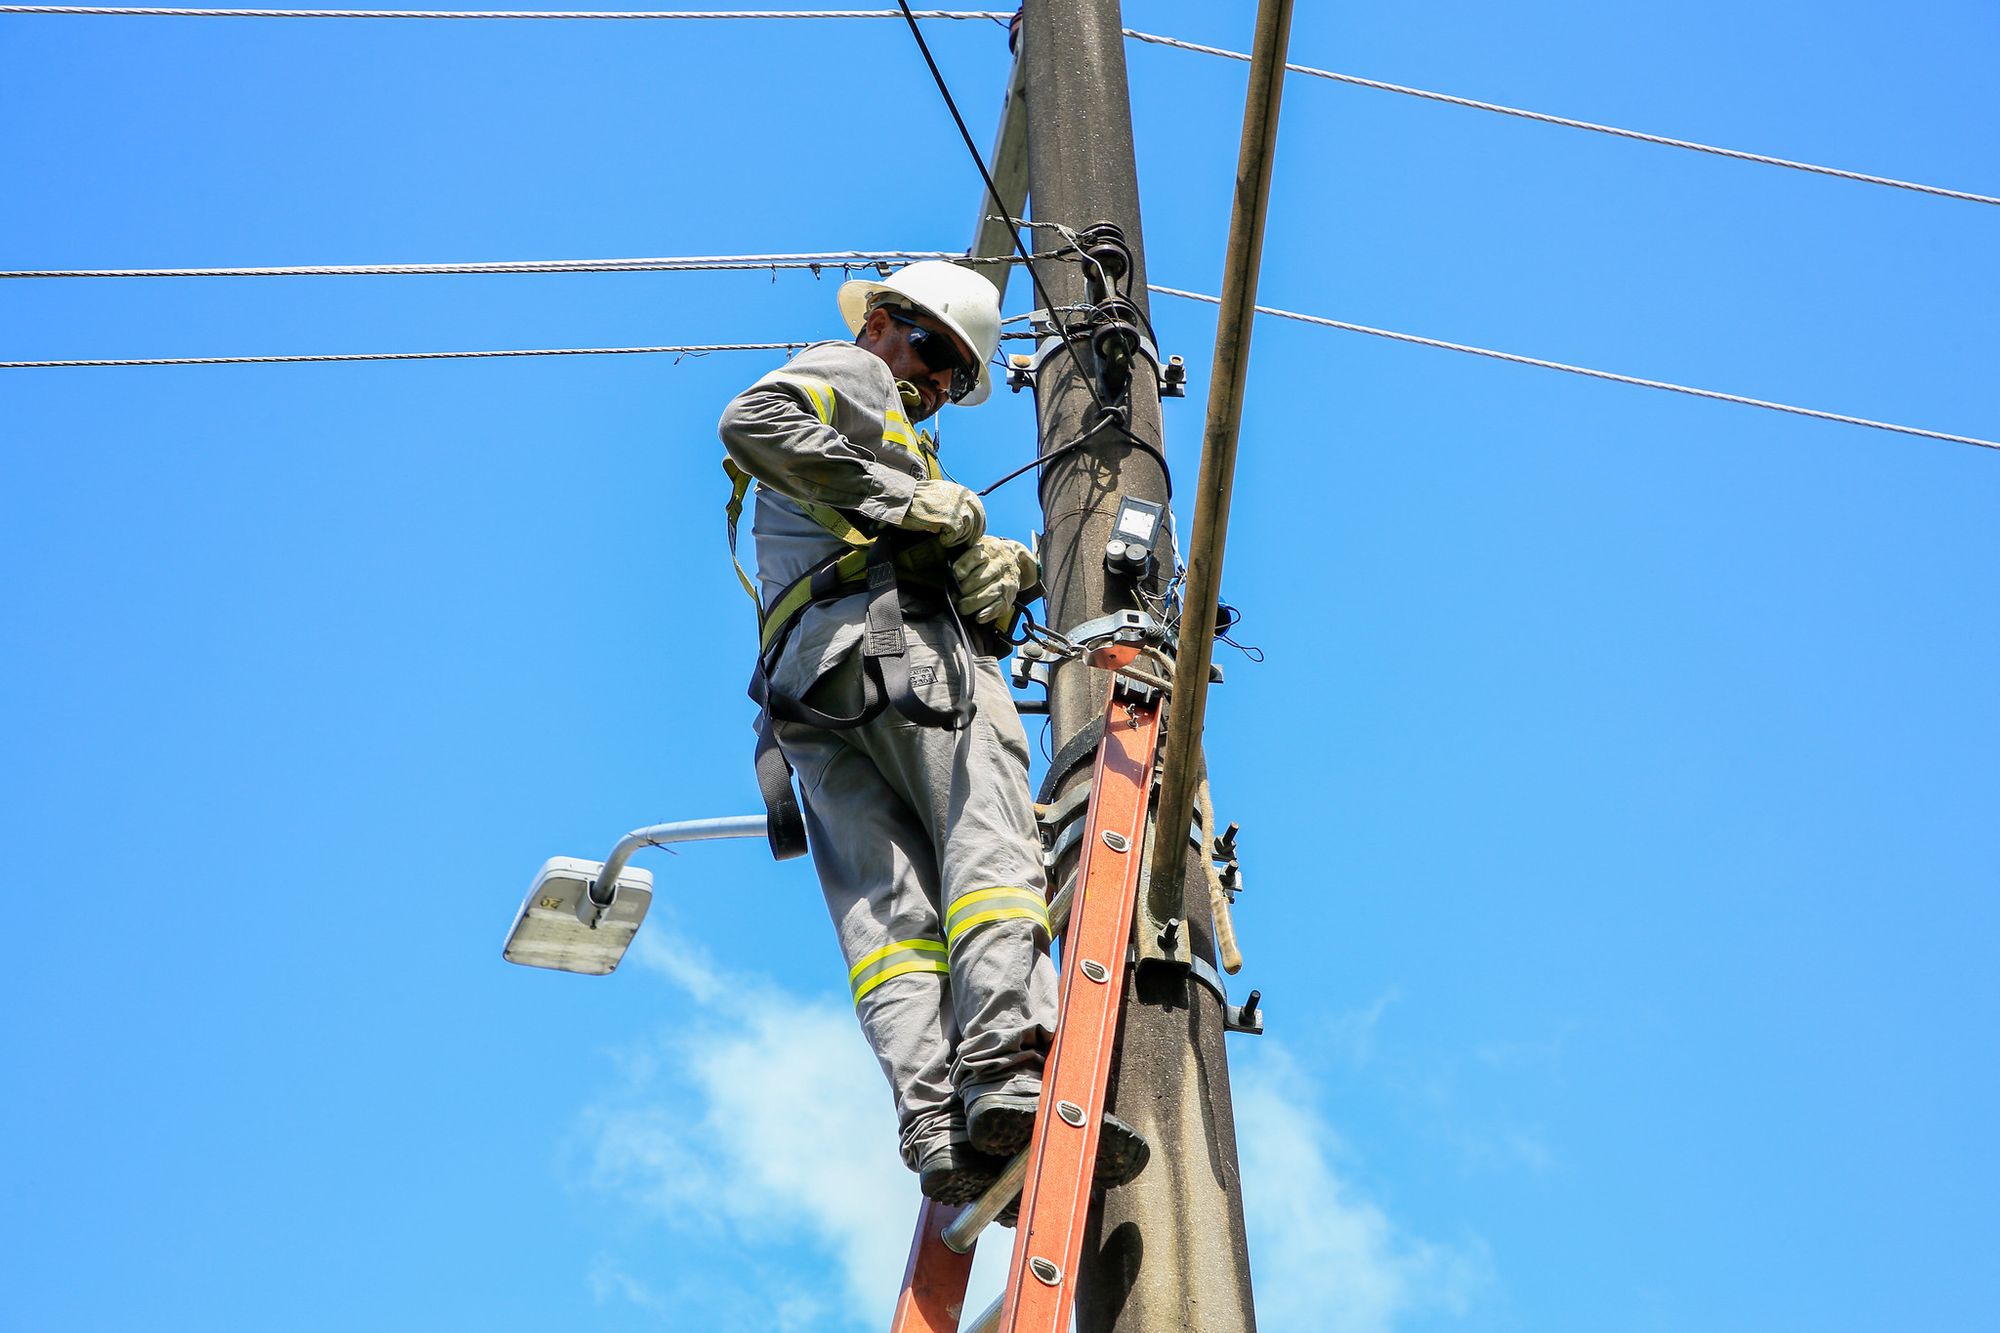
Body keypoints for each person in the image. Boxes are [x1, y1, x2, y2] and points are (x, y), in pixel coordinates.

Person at [717, 260, 1146, 1205]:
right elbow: (752, 423)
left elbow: (868, 523)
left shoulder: (884, 437)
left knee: (890, 921)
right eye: (932, 351)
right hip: (896, 655)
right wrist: (923, 511)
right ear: (882, 323)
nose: (934, 382)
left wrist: (982, 569)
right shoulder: (853, 372)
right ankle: (1007, 1064)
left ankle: (935, 1121)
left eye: (954, 375)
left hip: (811, 701)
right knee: (990, 851)